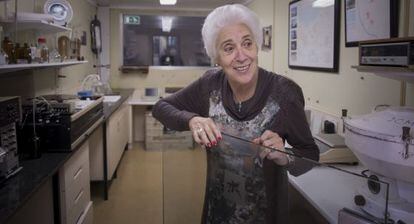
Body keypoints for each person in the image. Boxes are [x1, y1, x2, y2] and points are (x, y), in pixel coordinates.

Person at [152, 4, 319, 224]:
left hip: (266, 215)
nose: (241, 56)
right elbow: (161, 108)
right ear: (216, 57)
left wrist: (284, 155)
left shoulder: (284, 94)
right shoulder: (209, 85)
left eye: (247, 44)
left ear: (256, 47)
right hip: (217, 210)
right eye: (229, 48)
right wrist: (191, 120)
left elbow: (310, 154)